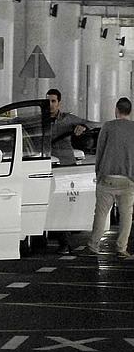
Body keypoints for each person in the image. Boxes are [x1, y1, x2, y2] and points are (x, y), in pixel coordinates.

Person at [86, 97, 134, 259]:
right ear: (130, 111)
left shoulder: (108, 127)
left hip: (107, 177)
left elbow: (99, 151)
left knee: (100, 214)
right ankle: (121, 248)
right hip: (128, 179)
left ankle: (94, 245)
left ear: (116, 110)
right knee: (126, 215)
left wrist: (98, 173)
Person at [46, 88, 90, 254]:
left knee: (62, 204)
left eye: (53, 101)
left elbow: (87, 124)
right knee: (48, 202)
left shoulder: (67, 119)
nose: (50, 105)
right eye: (48, 101)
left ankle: (64, 242)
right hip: (47, 165)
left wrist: (82, 127)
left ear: (59, 103)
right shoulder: (41, 120)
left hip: (64, 166)